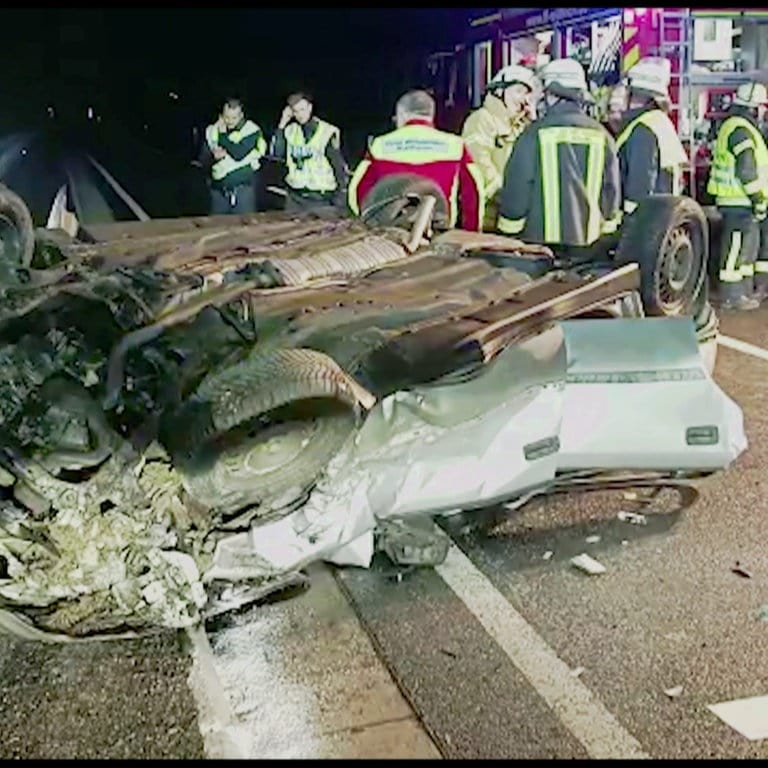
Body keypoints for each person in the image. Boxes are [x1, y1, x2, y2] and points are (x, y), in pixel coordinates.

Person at [496, 59, 621, 256]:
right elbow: (611, 194)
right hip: (589, 249)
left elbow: (517, 189)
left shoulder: (533, 134)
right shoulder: (603, 136)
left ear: (552, 95)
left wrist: (509, 233)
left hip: (539, 250)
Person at [347, 89, 484, 231]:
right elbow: (473, 193)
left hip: (390, 232)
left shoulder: (380, 144)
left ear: (402, 114)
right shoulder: (455, 145)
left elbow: (357, 191)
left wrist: (370, 224)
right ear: (431, 115)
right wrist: (471, 232)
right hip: (437, 231)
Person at [707, 81, 768, 310]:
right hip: (739, 201)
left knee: (744, 249)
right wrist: (759, 199)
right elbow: (747, 170)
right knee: (735, 249)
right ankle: (731, 296)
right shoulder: (741, 130)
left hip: (739, 201)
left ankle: (741, 293)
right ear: (753, 108)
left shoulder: (737, 127)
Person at [460, 64, 538, 230]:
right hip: (489, 215)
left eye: (526, 94)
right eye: (518, 91)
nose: (523, 99)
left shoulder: (522, 125)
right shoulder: (481, 119)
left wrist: (534, 122)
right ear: (499, 91)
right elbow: (477, 161)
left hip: (513, 214)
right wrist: (504, 192)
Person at [615, 57, 688, 218]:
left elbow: (640, 183)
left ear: (637, 94)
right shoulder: (659, 122)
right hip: (661, 217)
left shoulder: (643, 129)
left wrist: (632, 223)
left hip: (645, 224)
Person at [270, 91, 348, 213]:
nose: (300, 114)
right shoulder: (290, 131)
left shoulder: (326, 132)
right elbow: (276, 154)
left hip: (320, 198)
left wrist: (341, 195)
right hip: (295, 197)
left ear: (310, 108)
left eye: (302, 109)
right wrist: (282, 123)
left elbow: (338, 165)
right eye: (295, 111)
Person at [200, 98, 267, 215]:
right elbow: (203, 159)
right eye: (227, 117)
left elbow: (238, 153)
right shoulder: (212, 130)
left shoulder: (251, 130)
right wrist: (213, 157)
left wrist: (223, 135)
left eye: (234, 118)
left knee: (244, 229)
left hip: (243, 192)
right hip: (219, 193)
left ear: (241, 115)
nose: (230, 121)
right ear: (221, 115)